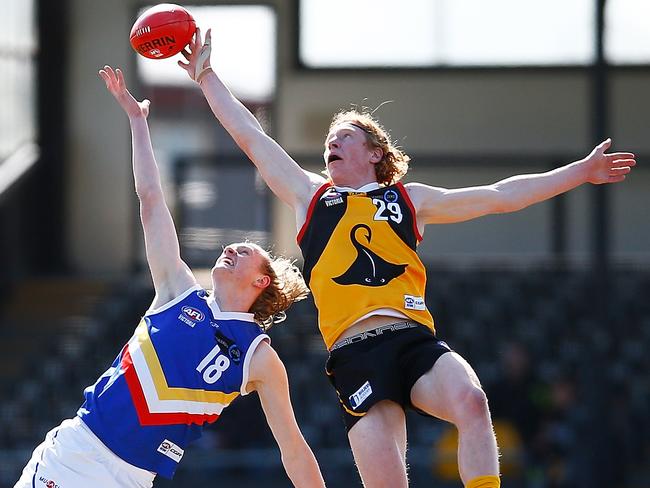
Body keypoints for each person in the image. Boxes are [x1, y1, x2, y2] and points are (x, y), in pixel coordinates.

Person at [179, 28, 636, 488]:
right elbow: (250, 136)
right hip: (354, 355)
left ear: (375, 152)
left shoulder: (408, 199)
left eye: (344, 136)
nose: (330, 144)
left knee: (473, 402)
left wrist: (581, 171)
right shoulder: (311, 196)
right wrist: (207, 76)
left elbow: (501, 196)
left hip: (413, 340)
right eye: (328, 141)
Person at [15, 66, 326, 488]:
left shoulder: (260, 356)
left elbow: (293, 447)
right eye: (230, 246)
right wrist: (137, 122)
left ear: (262, 282)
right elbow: (150, 199)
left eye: (245, 251)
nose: (229, 248)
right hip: (77, 454)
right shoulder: (179, 292)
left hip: (133, 478)